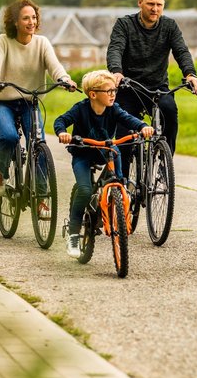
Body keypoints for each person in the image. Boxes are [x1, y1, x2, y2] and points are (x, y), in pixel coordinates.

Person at [0, 0, 77, 209]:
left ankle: (41, 198)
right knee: (8, 136)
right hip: (4, 103)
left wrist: (64, 79)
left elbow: (54, 66)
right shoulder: (3, 41)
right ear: (15, 22)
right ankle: (0, 173)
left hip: (31, 102)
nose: (31, 22)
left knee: (39, 145)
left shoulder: (42, 43)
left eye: (34, 17)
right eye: (26, 18)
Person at [54, 70, 155, 258]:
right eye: (108, 91)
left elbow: (128, 118)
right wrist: (62, 133)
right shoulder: (81, 109)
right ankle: (74, 235)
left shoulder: (114, 108)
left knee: (118, 177)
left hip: (106, 151)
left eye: (114, 91)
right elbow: (60, 120)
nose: (112, 95)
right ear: (93, 94)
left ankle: (118, 198)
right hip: (83, 154)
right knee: (84, 190)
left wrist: (142, 127)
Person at [106, 0, 197, 170]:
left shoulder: (169, 26)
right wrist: (116, 71)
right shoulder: (124, 24)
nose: (155, 8)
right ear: (140, 3)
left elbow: (181, 51)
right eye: (150, 4)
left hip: (157, 88)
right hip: (128, 87)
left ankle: (165, 161)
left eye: (159, 4)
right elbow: (115, 49)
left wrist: (190, 74)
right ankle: (123, 183)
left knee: (170, 112)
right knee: (125, 137)